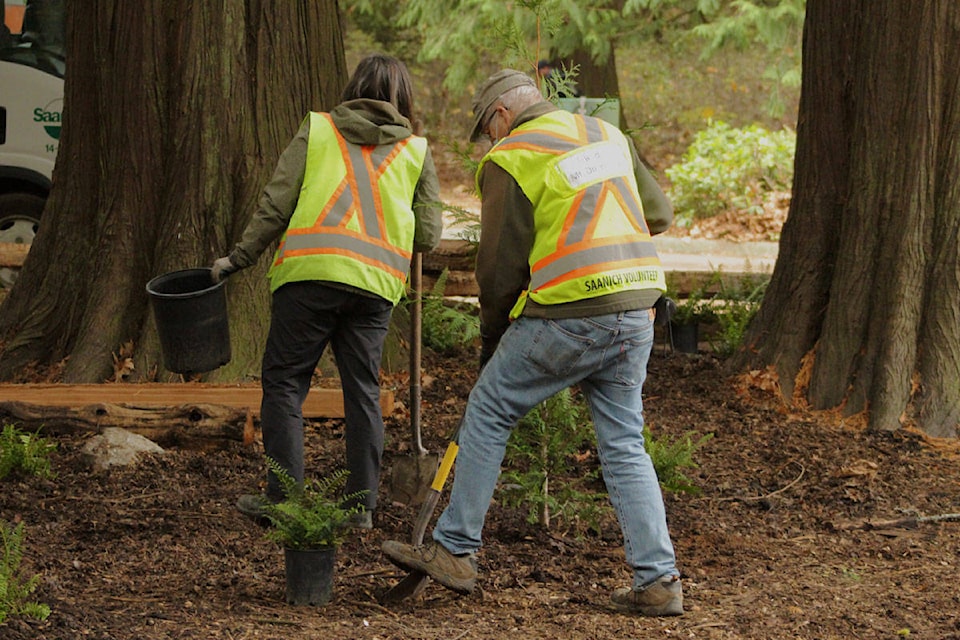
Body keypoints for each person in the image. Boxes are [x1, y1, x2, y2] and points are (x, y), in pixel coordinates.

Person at [382, 69, 683, 616]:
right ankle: (658, 580)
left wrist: (492, 339)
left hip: (570, 313)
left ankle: (455, 550)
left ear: (500, 115)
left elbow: (498, 272)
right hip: (637, 311)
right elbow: (657, 214)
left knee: (490, 408)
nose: (490, 143)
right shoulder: (604, 134)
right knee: (623, 443)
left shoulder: (513, 155)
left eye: (487, 131)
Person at [212, 54, 443, 530]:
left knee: (285, 383)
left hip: (310, 277)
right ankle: (361, 507)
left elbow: (277, 204)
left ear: (353, 87)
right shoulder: (416, 151)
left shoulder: (319, 129)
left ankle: (284, 500)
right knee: (362, 391)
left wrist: (239, 258)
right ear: (403, 98)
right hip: (375, 287)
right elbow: (428, 236)